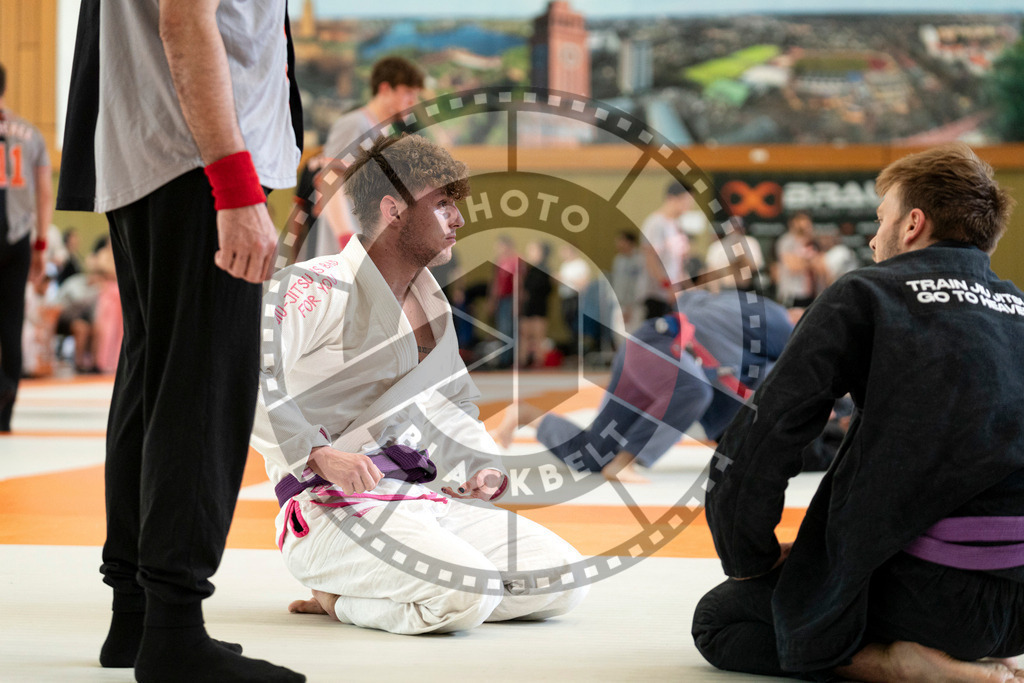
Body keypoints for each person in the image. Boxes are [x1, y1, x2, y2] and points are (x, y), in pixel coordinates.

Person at [692, 143, 1024, 682]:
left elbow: (766, 436)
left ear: (913, 223)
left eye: (881, 219)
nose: (874, 238)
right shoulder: (1020, 308)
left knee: (719, 620)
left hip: (932, 598)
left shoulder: (868, 292)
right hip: (1017, 611)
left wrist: (749, 554)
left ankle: (897, 664)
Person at [56, 2, 305, 681]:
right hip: (195, 154)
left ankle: (136, 615)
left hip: (149, 147)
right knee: (204, 382)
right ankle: (173, 629)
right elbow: (186, 19)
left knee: (155, 377)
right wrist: (233, 183)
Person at [252, 134, 587, 635]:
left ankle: (381, 592)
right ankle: (338, 598)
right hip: (329, 505)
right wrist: (319, 454)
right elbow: (249, 378)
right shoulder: (313, 286)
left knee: (560, 581)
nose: (459, 220)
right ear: (394, 210)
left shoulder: (434, 310)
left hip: (421, 498)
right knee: (469, 590)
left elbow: (452, 406)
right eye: (444, 205)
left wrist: (480, 467)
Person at [495, 260, 794, 483]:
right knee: (693, 390)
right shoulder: (783, 324)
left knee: (591, 454)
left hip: (645, 350)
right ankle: (627, 461)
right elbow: (781, 379)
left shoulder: (732, 305)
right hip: (663, 346)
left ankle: (525, 415)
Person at [313, 56, 425, 254]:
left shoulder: (385, 135)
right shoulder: (355, 123)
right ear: (385, 89)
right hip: (346, 251)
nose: (412, 102)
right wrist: (346, 239)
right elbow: (330, 182)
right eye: (408, 93)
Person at [0, 62, 53, 433]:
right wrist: (40, 245)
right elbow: (45, 194)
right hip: (17, 238)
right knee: (10, 322)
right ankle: (5, 411)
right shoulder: (31, 134)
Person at [640, 181, 691, 320]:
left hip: (674, 295)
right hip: (657, 295)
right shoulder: (655, 223)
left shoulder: (676, 225)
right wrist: (667, 286)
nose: (688, 206)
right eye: (686, 201)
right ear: (672, 199)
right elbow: (650, 260)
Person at [772, 210, 822, 307]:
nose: (805, 224)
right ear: (793, 223)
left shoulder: (811, 242)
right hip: (792, 293)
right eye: (802, 221)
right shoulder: (786, 241)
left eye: (807, 221)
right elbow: (794, 267)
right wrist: (811, 262)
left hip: (810, 293)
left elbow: (821, 266)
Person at [520, 240, 553, 368]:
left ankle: (538, 361)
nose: (529, 253)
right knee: (524, 335)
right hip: (527, 307)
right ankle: (523, 361)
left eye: (533, 250)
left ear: (541, 253)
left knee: (538, 336)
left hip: (539, 306)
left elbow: (547, 289)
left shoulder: (545, 269)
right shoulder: (529, 269)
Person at [610, 230, 646, 333]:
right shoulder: (618, 259)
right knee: (619, 336)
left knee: (633, 334)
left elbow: (637, 285)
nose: (618, 244)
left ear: (629, 242)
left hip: (634, 306)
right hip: (620, 304)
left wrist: (629, 307)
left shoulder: (639, 260)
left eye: (621, 241)